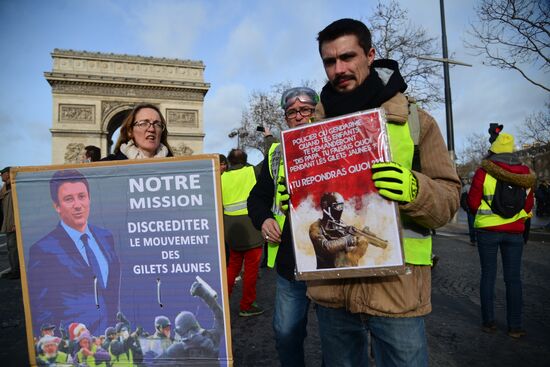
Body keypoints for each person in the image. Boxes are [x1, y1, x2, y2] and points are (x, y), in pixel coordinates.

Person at [305, 19, 461, 366]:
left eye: (347, 57)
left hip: (397, 289)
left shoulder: (418, 122)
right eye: (329, 62)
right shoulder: (309, 132)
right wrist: (294, 201)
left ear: (371, 55)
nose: (339, 69)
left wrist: (414, 188)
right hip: (334, 293)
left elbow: (449, 201)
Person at [247, 87, 321, 367]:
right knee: (286, 333)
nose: (299, 117)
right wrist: (264, 219)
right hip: (291, 260)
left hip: (333, 260)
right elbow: (257, 198)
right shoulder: (276, 153)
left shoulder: (339, 142)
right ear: (286, 118)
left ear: (316, 112)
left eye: (306, 111)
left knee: (337, 338)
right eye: (292, 113)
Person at [27, 169, 121, 337]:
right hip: (75, 347)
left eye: (82, 196)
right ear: (56, 206)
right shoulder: (43, 250)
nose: (78, 205)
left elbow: (110, 292)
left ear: (89, 199)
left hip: (110, 340)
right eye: (69, 199)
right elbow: (41, 311)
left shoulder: (106, 237)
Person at [467, 133, 535, 339]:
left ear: (493, 150)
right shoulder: (527, 175)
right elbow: (529, 205)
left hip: (488, 231)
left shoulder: (483, 172)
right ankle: (515, 326)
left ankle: (488, 322)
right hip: (514, 233)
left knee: (488, 276)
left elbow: (472, 203)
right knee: (513, 279)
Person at [221, 148, 265, 316]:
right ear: (245, 159)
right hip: (252, 226)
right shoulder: (251, 171)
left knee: (232, 267)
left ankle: (222, 303)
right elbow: (270, 157)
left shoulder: (221, 178)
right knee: (251, 269)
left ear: (230, 161)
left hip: (232, 229)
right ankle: (247, 305)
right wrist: (268, 137)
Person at [309, 192, 388, 269]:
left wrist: (361, 241)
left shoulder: (340, 224)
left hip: (347, 271)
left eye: (342, 206)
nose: (340, 209)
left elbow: (348, 253)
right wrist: (348, 239)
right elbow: (327, 246)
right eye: (338, 207)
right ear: (326, 207)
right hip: (328, 274)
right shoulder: (316, 227)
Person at [102, 103, 173, 161]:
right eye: (143, 123)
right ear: (130, 131)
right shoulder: (104, 167)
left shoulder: (178, 168)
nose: (152, 129)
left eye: (157, 124)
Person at [1, 166, 19, 280]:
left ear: (8, 174)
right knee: (10, 248)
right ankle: (13, 270)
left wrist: (16, 223)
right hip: (7, 223)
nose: (1, 176)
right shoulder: (5, 188)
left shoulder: (15, 188)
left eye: (2, 173)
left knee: (13, 248)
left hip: (13, 224)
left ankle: (16, 271)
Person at [461, 174, 477, 245]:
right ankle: (473, 240)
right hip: (470, 210)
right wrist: (466, 208)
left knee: (477, 225)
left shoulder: (480, 185)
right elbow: (463, 200)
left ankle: (476, 239)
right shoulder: (466, 187)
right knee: (472, 225)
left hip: (478, 210)